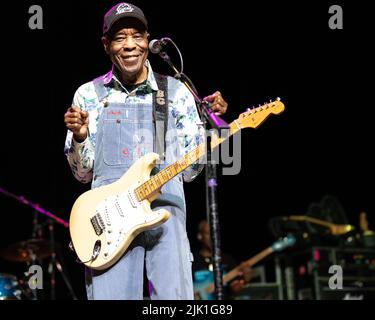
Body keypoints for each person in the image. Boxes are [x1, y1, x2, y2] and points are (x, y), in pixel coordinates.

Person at [63, 2, 228, 300]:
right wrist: (80, 136)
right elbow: (82, 172)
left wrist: (209, 130)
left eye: (137, 36)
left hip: (166, 214)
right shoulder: (88, 95)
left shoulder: (177, 92)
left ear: (148, 40)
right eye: (119, 37)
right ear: (106, 45)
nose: (129, 45)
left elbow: (190, 172)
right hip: (110, 220)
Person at [192, 220, 253, 299]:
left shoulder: (227, 259)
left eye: (216, 233)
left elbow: (235, 289)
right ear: (200, 236)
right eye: (209, 233)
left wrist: (245, 280)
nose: (214, 237)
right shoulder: (191, 260)